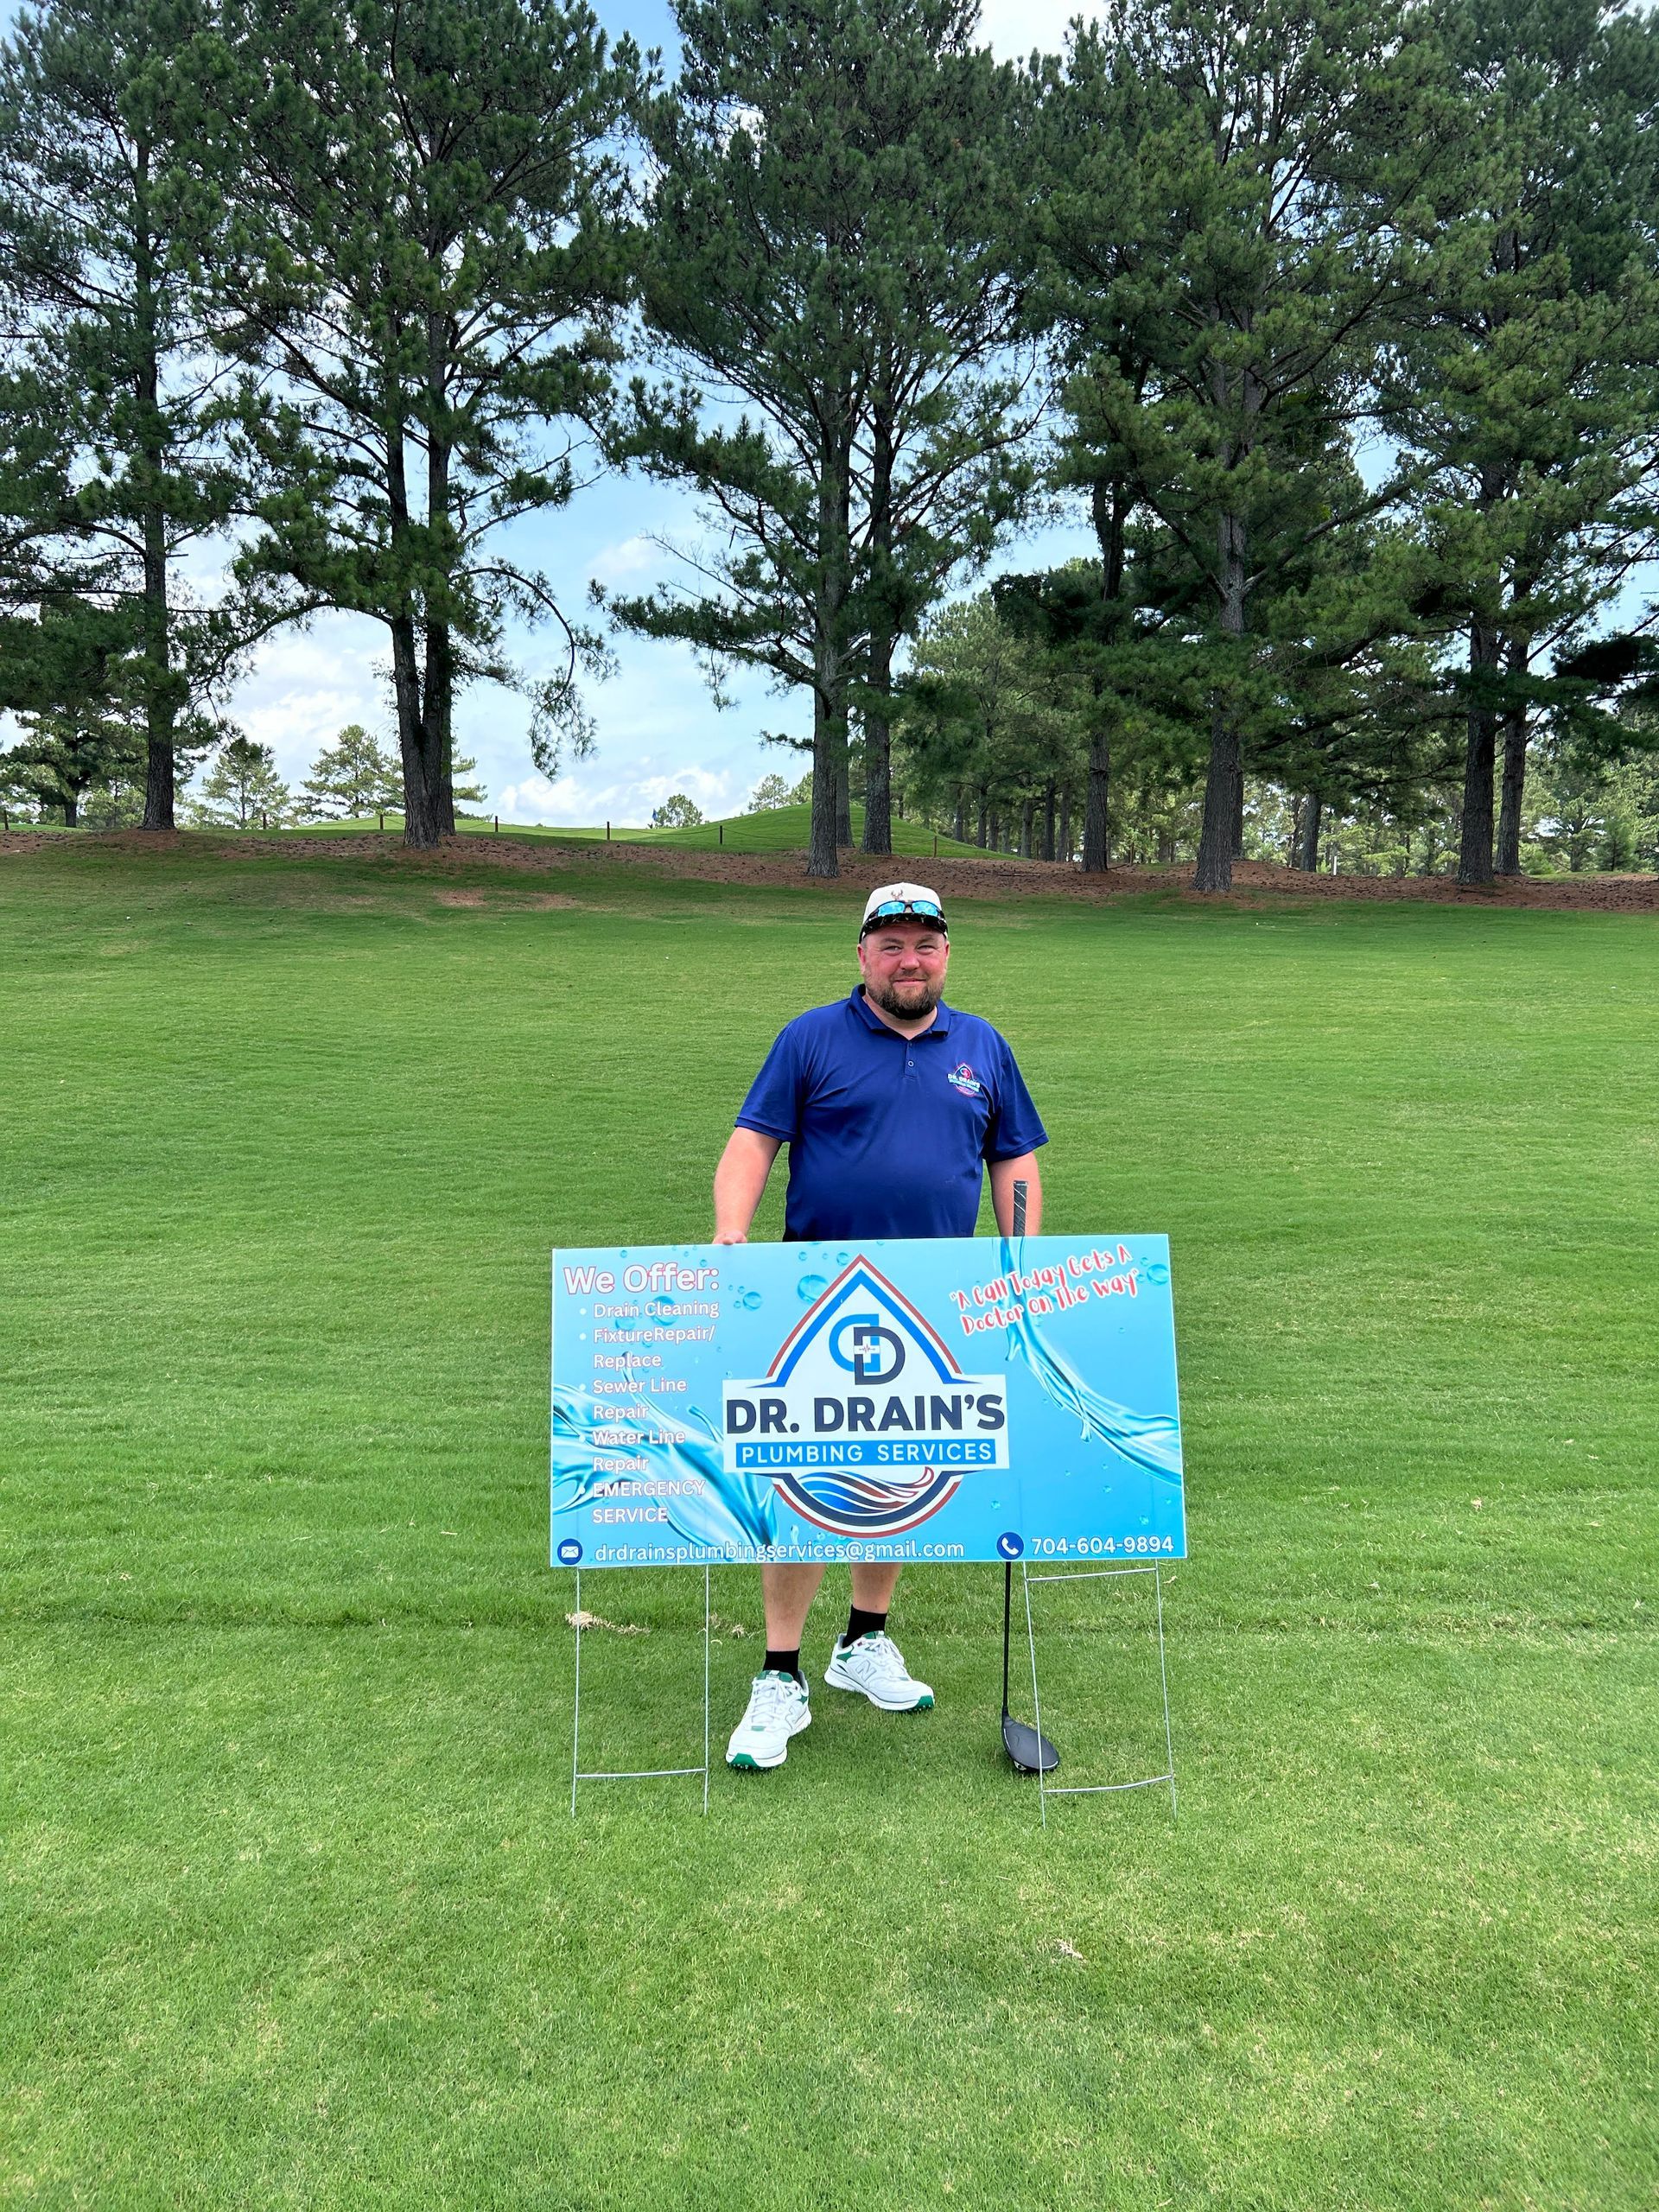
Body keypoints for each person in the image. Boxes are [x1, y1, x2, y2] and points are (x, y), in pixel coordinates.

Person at [711, 881, 1048, 1770]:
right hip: (812, 1297)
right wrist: (730, 1233)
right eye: (892, 943)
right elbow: (754, 1141)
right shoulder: (810, 1037)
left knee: (898, 1475)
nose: (910, 959)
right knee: (805, 1484)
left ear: (946, 954)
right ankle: (779, 1673)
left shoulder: (982, 1047)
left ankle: (863, 1642)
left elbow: (1011, 1156)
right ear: (862, 954)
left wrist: (1023, 1265)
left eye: (925, 944)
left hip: (936, 1299)